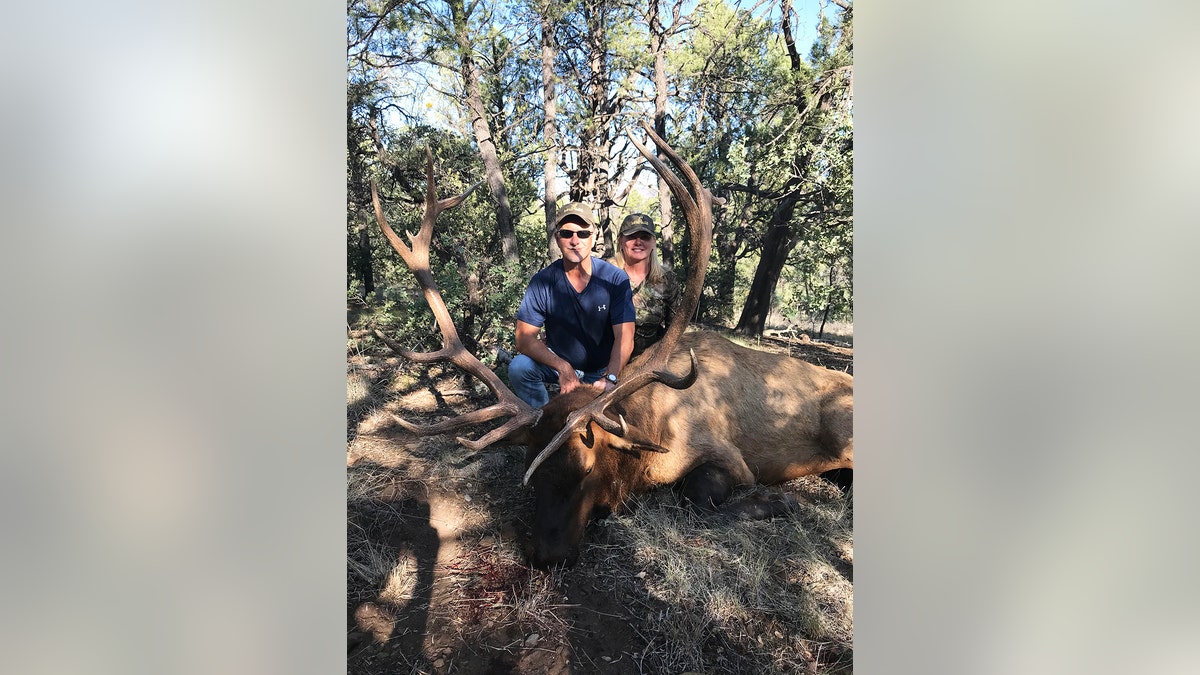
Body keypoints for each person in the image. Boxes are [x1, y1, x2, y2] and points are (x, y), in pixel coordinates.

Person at [508, 202, 637, 408]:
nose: (575, 241)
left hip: (605, 368)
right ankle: (541, 421)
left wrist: (610, 377)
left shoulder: (614, 278)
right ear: (558, 239)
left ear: (593, 238)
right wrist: (562, 367)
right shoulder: (543, 281)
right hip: (560, 365)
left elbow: (625, 337)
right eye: (567, 233)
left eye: (583, 234)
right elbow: (523, 339)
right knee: (520, 367)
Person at [614, 213, 680, 358]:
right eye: (631, 236)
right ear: (620, 241)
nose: (638, 242)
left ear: (654, 242)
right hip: (607, 364)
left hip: (649, 364)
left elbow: (673, 331)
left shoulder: (668, 279)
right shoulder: (605, 275)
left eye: (645, 237)